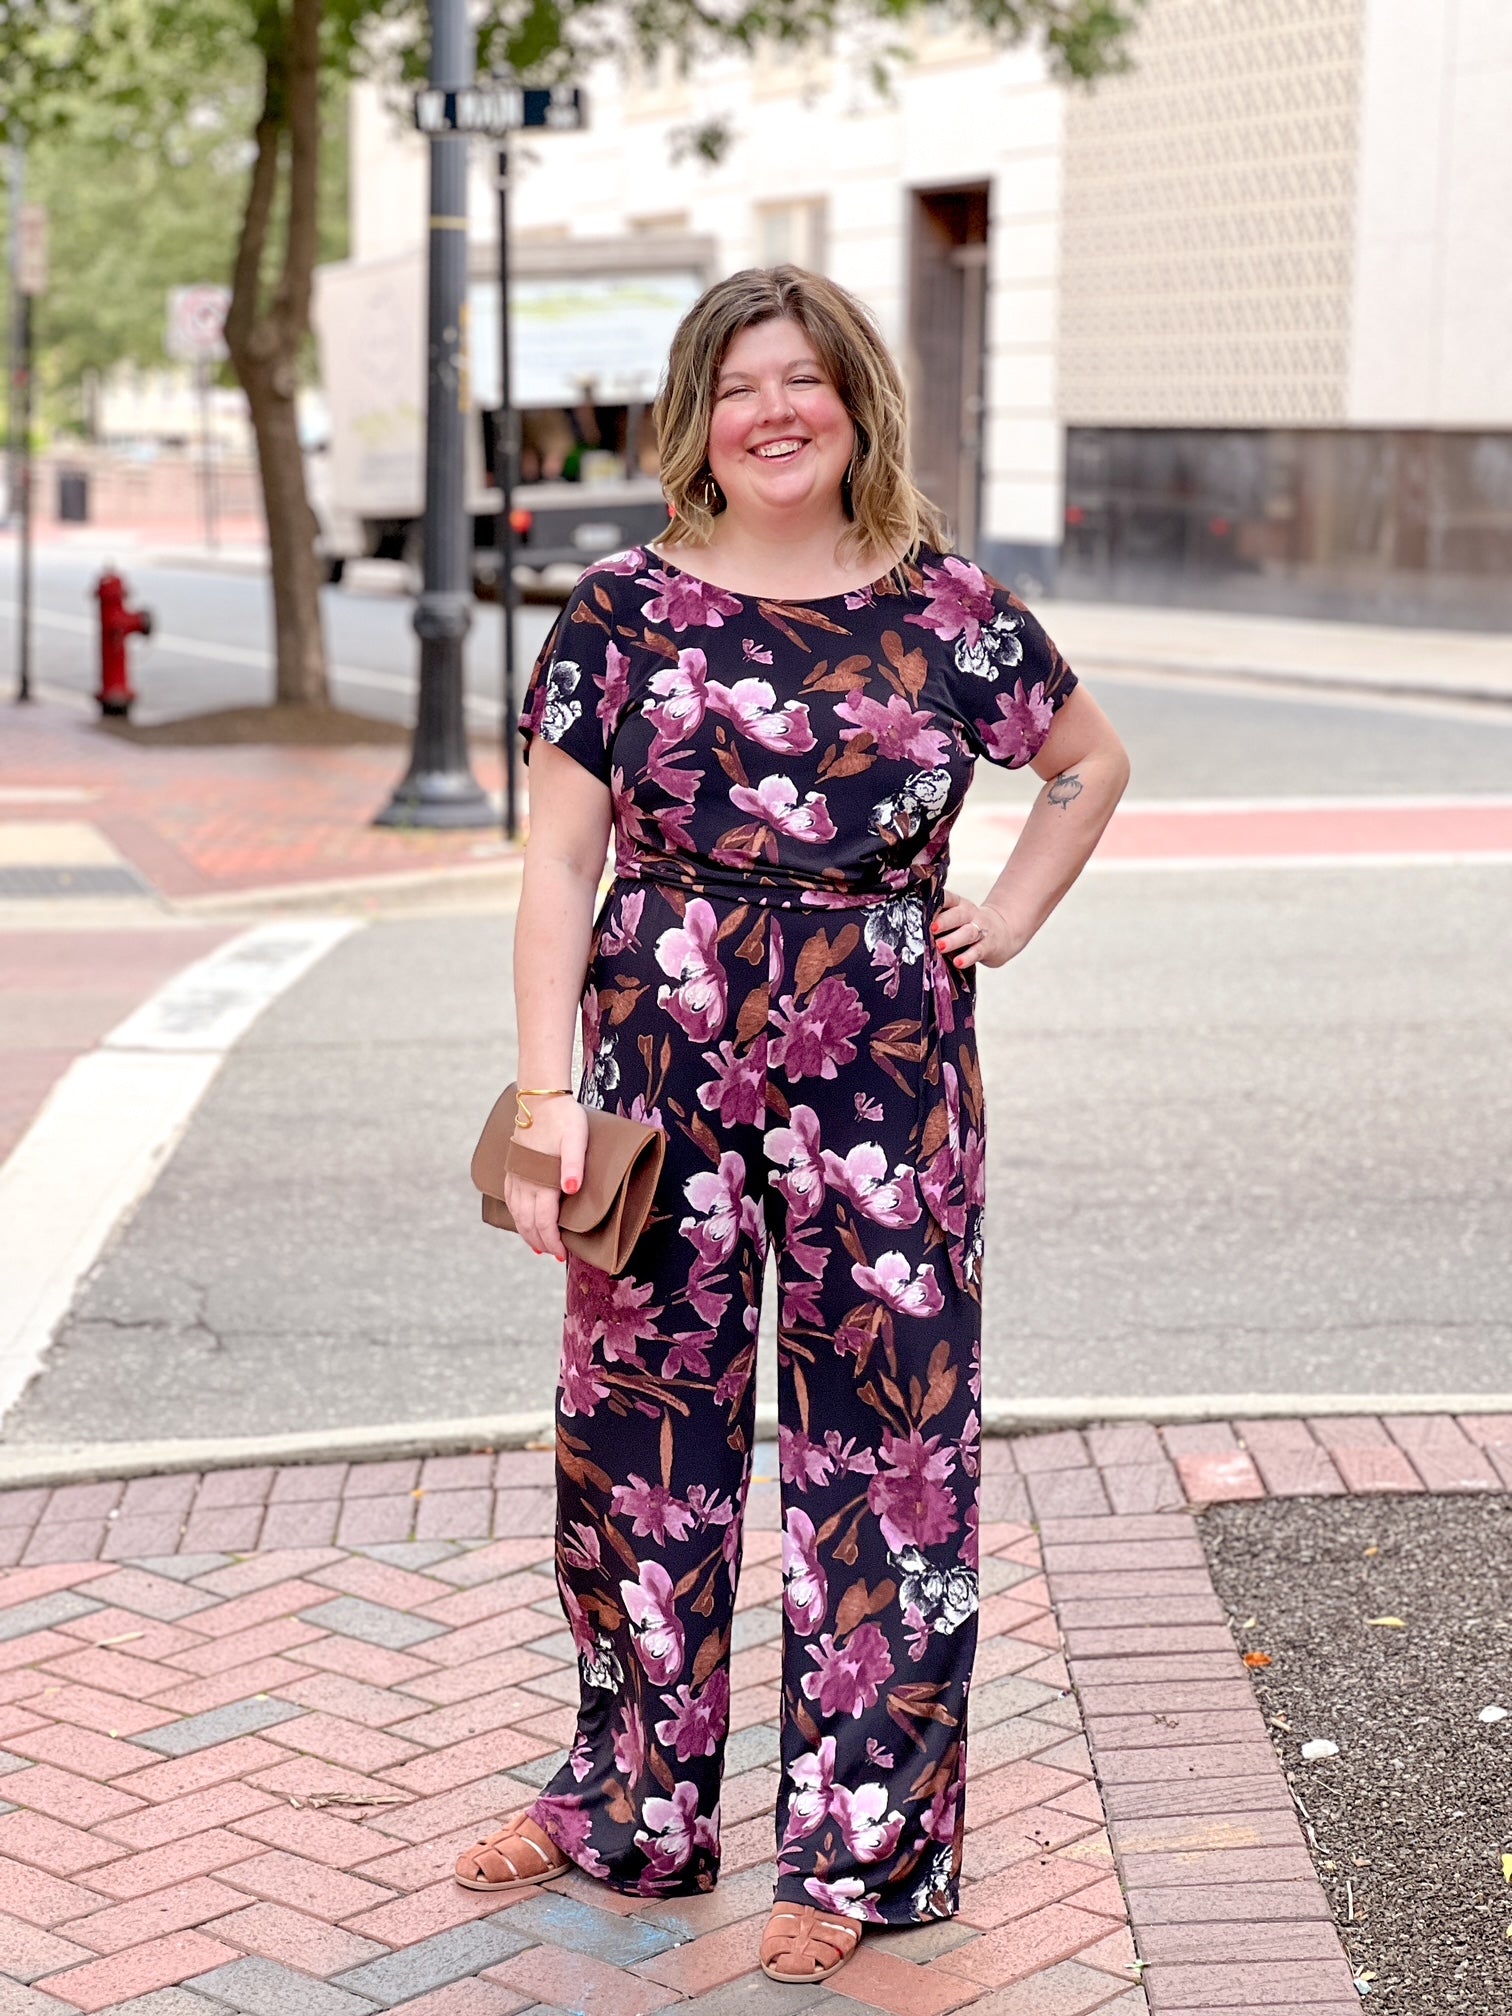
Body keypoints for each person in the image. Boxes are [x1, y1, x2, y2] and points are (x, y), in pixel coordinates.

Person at [454, 265, 1130, 1984]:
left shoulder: (947, 604)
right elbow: (555, 867)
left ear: (853, 407)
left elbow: (1087, 765)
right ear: (699, 411)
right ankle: (634, 1809)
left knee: (889, 1455)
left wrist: (1014, 912)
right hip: (655, 1063)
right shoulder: (616, 611)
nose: (776, 411)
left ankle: (860, 1858)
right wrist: (547, 1105)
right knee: (636, 1444)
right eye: (744, 383)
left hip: (890, 1068)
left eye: (806, 381)